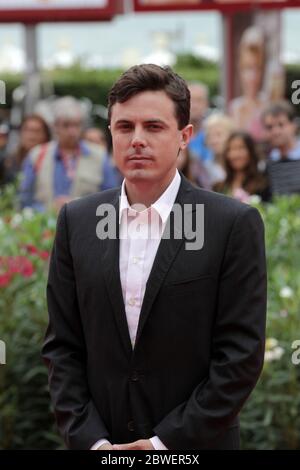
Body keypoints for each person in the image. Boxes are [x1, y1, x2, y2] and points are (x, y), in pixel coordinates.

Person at [42, 64, 267, 450]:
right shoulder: (77, 221)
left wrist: (162, 445)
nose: (137, 140)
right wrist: (93, 443)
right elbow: (62, 347)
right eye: (125, 127)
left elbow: (240, 356)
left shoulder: (231, 223)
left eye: (154, 126)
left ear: (184, 136)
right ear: (110, 133)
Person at [19, 97, 106, 212]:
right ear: (55, 126)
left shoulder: (99, 156)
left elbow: (111, 199)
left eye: (76, 125)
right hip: (44, 227)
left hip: (86, 226)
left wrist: (78, 205)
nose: (72, 132)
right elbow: (24, 199)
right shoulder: (37, 155)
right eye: (66, 125)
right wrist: (48, 209)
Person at [213, 131, 270, 203]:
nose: (236, 154)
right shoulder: (218, 188)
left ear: (251, 151)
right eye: (231, 149)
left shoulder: (262, 185)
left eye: (241, 148)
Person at [5, 114, 51, 184]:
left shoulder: (53, 161)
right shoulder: (8, 162)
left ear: (46, 135)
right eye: (27, 130)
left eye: (36, 131)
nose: (31, 136)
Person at [187, 82, 213, 163]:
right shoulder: (176, 132)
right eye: (191, 100)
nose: (195, 106)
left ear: (207, 104)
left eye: (199, 100)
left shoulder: (213, 133)